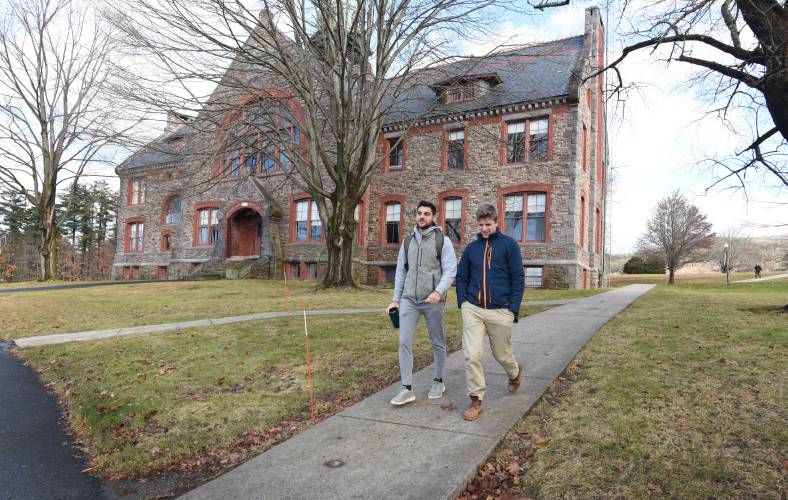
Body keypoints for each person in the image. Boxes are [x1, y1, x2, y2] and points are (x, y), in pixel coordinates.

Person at [456, 203, 524, 421]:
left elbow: (518, 278)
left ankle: (514, 373)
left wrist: (512, 309)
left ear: (497, 223)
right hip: (473, 309)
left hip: (501, 310)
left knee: (502, 355)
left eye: (488, 224)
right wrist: (463, 303)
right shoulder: (472, 249)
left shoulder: (509, 245)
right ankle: (476, 399)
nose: (484, 228)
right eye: (481, 224)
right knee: (472, 355)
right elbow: (462, 276)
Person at [386, 200, 457, 405]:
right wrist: (395, 300)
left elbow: (450, 270)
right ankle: (406, 388)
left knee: (437, 341)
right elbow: (401, 271)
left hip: (433, 300)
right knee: (403, 341)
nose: (422, 217)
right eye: (419, 213)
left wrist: (438, 291)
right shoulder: (407, 241)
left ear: (433, 217)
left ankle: (439, 380)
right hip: (410, 299)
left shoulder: (442, 241)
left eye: (426, 213)